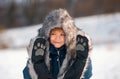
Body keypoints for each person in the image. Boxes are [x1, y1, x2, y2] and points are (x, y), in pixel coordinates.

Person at [23, 9, 92, 79]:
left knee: (80, 63)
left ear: (68, 35)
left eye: (62, 34)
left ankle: (80, 62)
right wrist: (33, 63)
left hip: (73, 72)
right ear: (47, 35)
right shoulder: (40, 52)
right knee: (37, 65)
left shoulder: (74, 53)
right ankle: (38, 65)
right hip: (42, 70)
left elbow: (88, 75)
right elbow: (26, 75)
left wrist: (84, 60)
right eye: (53, 34)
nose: (57, 38)